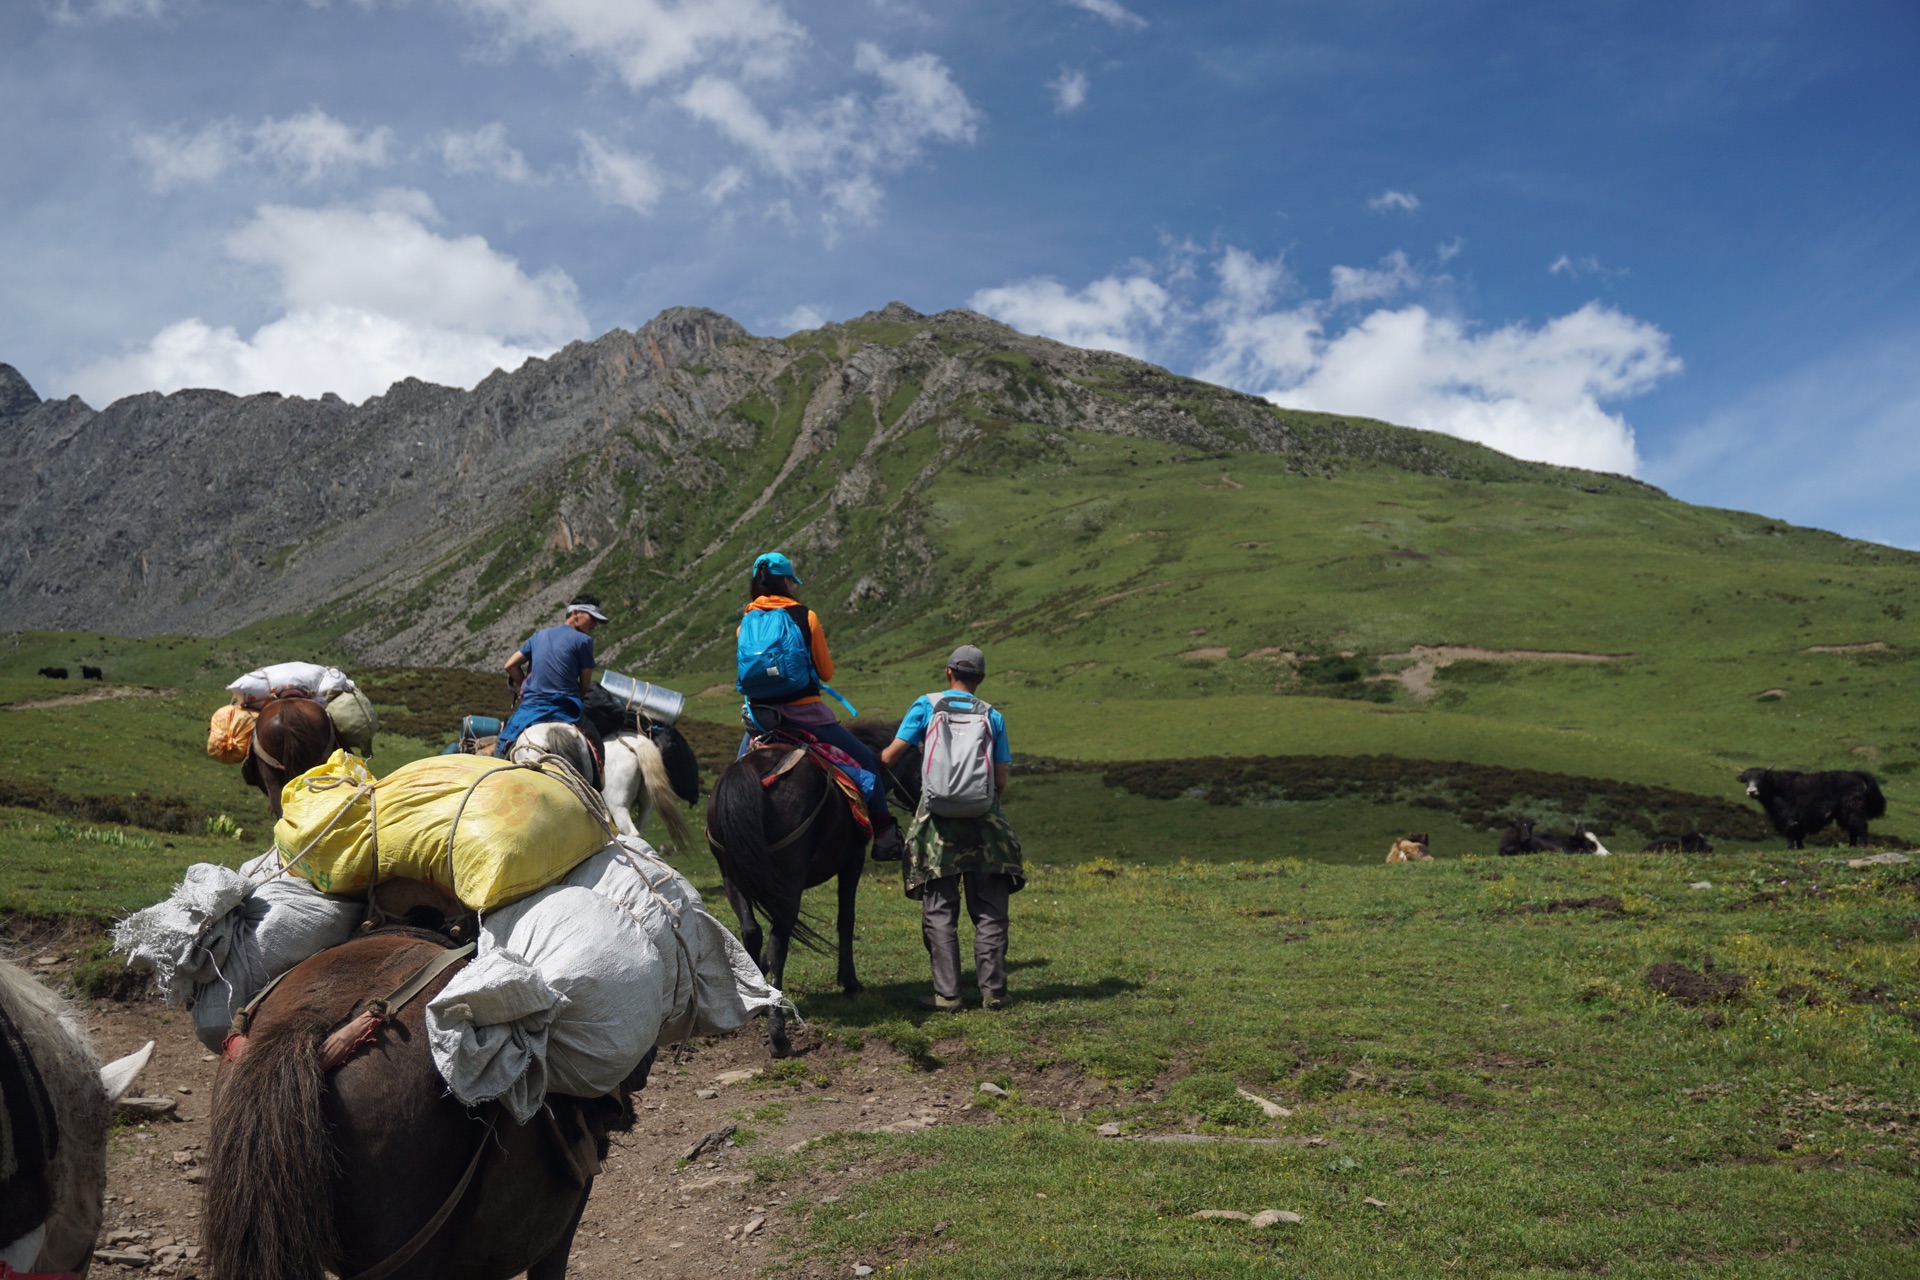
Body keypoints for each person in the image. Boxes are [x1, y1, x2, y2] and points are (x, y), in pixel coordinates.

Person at [880, 645, 1024, 1011]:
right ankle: (993, 992)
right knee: (990, 907)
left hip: (936, 827)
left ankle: (948, 994)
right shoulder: (993, 716)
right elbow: (1001, 781)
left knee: (940, 909)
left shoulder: (926, 706)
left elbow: (889, 757)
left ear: (948, 673)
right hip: (984, 824)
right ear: (981, 679)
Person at [737, 552, 904, 860]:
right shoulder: (806, 616)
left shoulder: (746, 621)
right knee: (868, 762)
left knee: (735, 775)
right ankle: (884, 836)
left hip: (762, 721)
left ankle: (725, 836)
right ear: (787, 581)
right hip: (807, 716)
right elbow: (825, 672)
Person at [495, 596, 607, 756]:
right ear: (576, 613)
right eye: (593, 618)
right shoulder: (584, 641)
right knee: (596, 745)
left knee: (501, 746)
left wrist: (527, 687)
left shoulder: (538, 635)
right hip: (565, 709)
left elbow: (510, 665)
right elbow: (585, 686)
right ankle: (598, 782)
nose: (595, 624)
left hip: (531, 708)